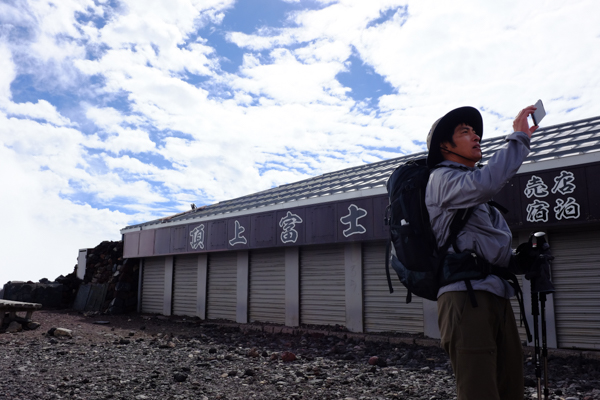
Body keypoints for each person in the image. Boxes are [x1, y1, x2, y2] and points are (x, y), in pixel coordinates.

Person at [425, 105, 538, 400]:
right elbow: (486, 182)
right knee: (479, 391)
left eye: (475, 131)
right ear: (444, 145)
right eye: (465, 132)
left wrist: (518, 259)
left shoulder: (477, 197)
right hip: (465, 298)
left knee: (510, 385)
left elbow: (486, 247)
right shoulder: (442, 179)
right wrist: (518, 138)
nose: (476, 136)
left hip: (495, 295)